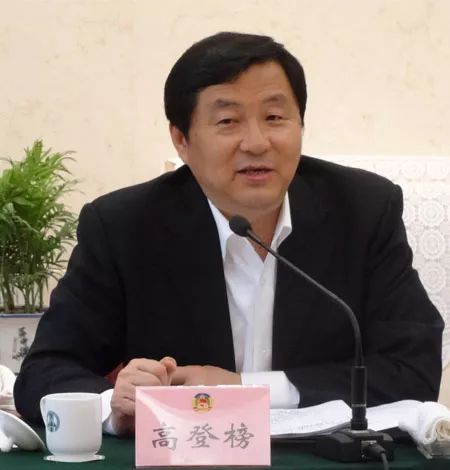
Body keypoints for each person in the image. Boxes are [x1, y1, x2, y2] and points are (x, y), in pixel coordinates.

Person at [14, 32, 444, 436]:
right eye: (228, 121)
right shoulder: (124, 227)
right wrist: (115, 406)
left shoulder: (363, 210)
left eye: (274, 117)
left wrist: (242, 388)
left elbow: (413, 369)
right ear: (181, 140)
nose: (256, 143)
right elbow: (45, 372)